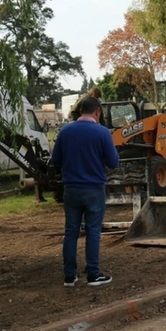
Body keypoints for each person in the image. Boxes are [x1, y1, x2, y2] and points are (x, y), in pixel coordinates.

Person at [51, 96, 119, 287]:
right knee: (93, 232)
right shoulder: (102, 132)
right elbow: (113, 162)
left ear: (81, 111)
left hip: (71, 189)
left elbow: (55, 160)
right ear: (97, 112)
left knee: (71, 231)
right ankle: (93, 274)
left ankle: (69, 276)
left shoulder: (65, 131)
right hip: (94, 189)